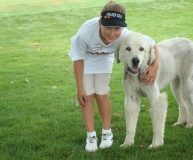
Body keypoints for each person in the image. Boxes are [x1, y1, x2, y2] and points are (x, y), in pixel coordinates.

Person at [68, 0, 159, 152]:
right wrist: (79, 88)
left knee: (101, 93)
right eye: (108, 27)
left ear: (122, 27)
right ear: (99, 23)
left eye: (117, 28)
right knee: (86, 95)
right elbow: (77, 59)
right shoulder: (85, 33)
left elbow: (151, 43)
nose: (112, 33)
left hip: (104, 57)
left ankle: (106, 133)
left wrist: (154, 67)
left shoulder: (125, 34)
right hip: (86, 57)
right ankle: (91, 135)